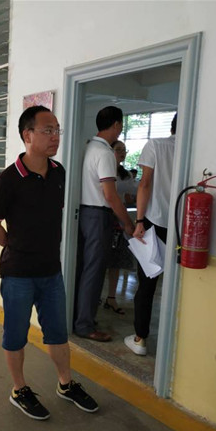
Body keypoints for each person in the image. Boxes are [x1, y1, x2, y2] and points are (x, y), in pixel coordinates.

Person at [0, 105, 99, 421]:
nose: (55, 137)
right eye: (47, 130)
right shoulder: (8, 179)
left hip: (51, 272)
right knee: (15, 335)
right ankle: (19, 389)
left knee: (58, 333)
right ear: (27, 135)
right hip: (18, 274)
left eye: (57, 130)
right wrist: (16, 247)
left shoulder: (58, 172)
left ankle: (65, 384)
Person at [74, 106, 135, 341]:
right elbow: (110, 195)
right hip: (98, 216)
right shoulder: (105, 153)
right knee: (94, 271)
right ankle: (85, 325)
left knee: (85, 270)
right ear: (117, 125)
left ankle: (80, 317)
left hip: (85, 214)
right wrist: (127, 223)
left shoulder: (89, 147)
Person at [125, 114, 177, 356]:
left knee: (147, 284)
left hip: (154, 222)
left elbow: (145, 184)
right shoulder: (194, 149)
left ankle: (140, 339)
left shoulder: (156, 145)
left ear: (172, 126)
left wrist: (139, 221)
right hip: (182, 226)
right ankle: (175, 341)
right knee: (178, 284)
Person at [103, 140, 136, 314]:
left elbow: (132, 193)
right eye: (118, 149)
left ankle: (111, 298)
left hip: (120, 221)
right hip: (105, 217)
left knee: (116, 261)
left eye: (124, 150)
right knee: (100, 260)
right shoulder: (104, 169)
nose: (122, 153)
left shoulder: (126, 174)